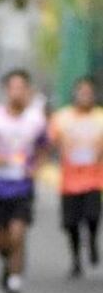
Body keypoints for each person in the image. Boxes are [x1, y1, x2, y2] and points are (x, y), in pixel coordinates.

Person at [0, 69, 48, 293]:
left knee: (18, 231)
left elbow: (44, 147)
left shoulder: (36, 119)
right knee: (2, 240)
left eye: (21, 88)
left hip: (22, 184)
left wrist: (36, 168)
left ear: (28, 91)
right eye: (13, 87)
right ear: (6, 90)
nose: (17, 92)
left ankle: (15, 280)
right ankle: (6, 260)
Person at [48, 76, 103, 278]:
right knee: (70, 224)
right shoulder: (62, 118)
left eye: (89, 93)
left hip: (94, 179)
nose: (85, 96)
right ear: (75, 94)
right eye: (81, 92)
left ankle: (93, 242)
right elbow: (49, 142)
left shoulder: (100, 118)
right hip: (70, 181)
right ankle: (76, 260)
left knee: (92, 216)